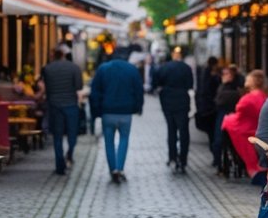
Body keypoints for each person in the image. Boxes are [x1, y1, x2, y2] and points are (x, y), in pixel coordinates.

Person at [89, 48, 144, 184]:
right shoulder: (132, 69)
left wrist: (96, 111)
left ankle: (112, 169)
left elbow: (94, 91)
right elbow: (139, 91)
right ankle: (120, 168)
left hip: (107, 112)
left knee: (109, 141)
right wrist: (138, 108)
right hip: (126, 113)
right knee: (124, 139)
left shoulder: (103, 69)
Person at [41, 48, 84, 176]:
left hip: (55, 105)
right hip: (71, 104)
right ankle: (70, 153)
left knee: (57, 136)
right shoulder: (74, 68)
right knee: (72, 133)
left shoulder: (47, 69)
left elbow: (47, 89)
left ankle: (60, 165)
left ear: (53, 56)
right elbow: (79, 86)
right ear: (64, 55)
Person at [152, 46, 194, 174]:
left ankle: (172, 156)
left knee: (171, 129)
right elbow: (190, 85)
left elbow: (156, 83)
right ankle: (183, 159)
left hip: (167, 101)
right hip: (182, 101)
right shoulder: (186, 68)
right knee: (184, 131)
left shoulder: (164, 67)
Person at [222, 70, 268, 180]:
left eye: (248, 79)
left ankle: (246, 166)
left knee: (226, 122)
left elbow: (239, 111)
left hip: (247, 129)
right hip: (255, 127)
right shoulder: (263, 96)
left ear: (254, 82)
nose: (245, 80)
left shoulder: (248, 98)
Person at [212, 65, 244, 169]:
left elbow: (221, 99)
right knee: (218, 140)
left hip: (234, 114)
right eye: (225, 74)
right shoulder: (221, 86)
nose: (227, 76)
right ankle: (218, 162)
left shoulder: (237, 85)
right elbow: (218, 100)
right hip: (223, 114)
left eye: (229, 74)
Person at [194, 56, 221, 142]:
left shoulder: (203, 73)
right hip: (210, 106)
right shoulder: (212, 76)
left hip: (204, 105)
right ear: (214, 65)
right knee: (212, 129)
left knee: (210, 130)